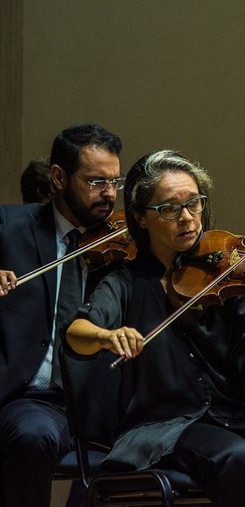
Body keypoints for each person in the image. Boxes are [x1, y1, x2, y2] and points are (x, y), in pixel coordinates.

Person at [66, 150, 245, 506]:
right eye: (170, 208)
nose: (188, 218)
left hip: (233, 420)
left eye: (194, 204)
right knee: (237, 459)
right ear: (140, 218)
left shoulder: (225, 278)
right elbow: (76, 332)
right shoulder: (124, 283)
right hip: (164, 429)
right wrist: (107, 335)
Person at [0, 123, 122, 507]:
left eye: (115, 182)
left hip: (103, 402)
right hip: (32, 398)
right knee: (32, 433)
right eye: (96, 182)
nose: (110, 194)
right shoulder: (9, 227)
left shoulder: (122, 247)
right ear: (58, 177)